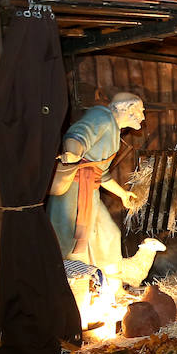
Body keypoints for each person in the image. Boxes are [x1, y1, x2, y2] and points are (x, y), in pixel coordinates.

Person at [47, 92, 145, 268]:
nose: (142, 117)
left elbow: (101, 174)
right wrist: (74, 152)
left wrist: (122, 194)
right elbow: (78, 135)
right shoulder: (101, 116)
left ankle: (108, 281)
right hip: (73, 189)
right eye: (140, 111)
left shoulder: (113, 128)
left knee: (108, 234)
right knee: (65, 237)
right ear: (127, 108)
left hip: (89, 190)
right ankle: (67, 282)